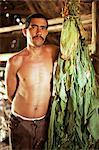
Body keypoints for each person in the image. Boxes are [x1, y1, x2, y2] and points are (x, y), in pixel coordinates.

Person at [5, 13, 59, 150]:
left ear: (46, 32)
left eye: (43, 28)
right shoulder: (15, 61)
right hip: (21, 122)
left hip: (43, 122)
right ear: (25, 31)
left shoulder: (53, 52)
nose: (39, 32)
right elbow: (10, 95)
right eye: (34, 27)